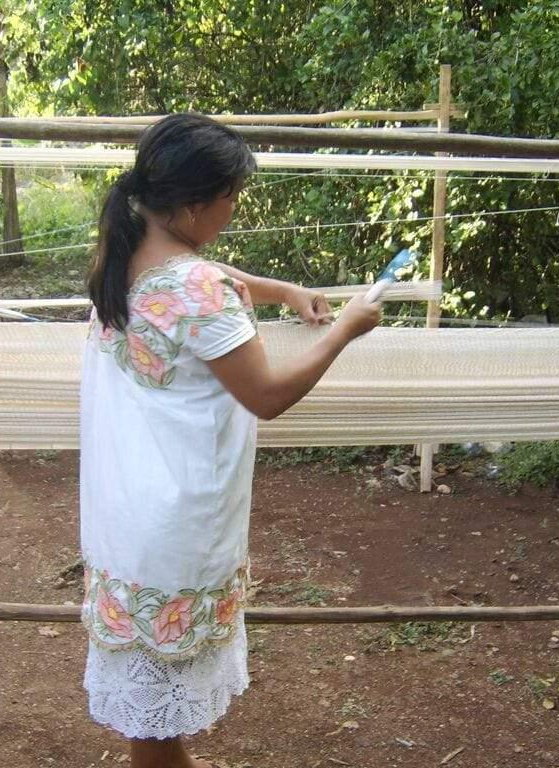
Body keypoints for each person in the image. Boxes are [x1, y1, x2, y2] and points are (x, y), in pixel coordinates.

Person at [80, 113, 381, 768]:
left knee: (149, 712)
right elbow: (267, 395)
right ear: (192, 205)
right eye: (229, 196)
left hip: (127, 518)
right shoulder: (199, 291)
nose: (233, 208)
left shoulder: (121, 248)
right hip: (173, 528)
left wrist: (278, 291)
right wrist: (345, 328)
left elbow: (194, 273)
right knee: (155, 726)